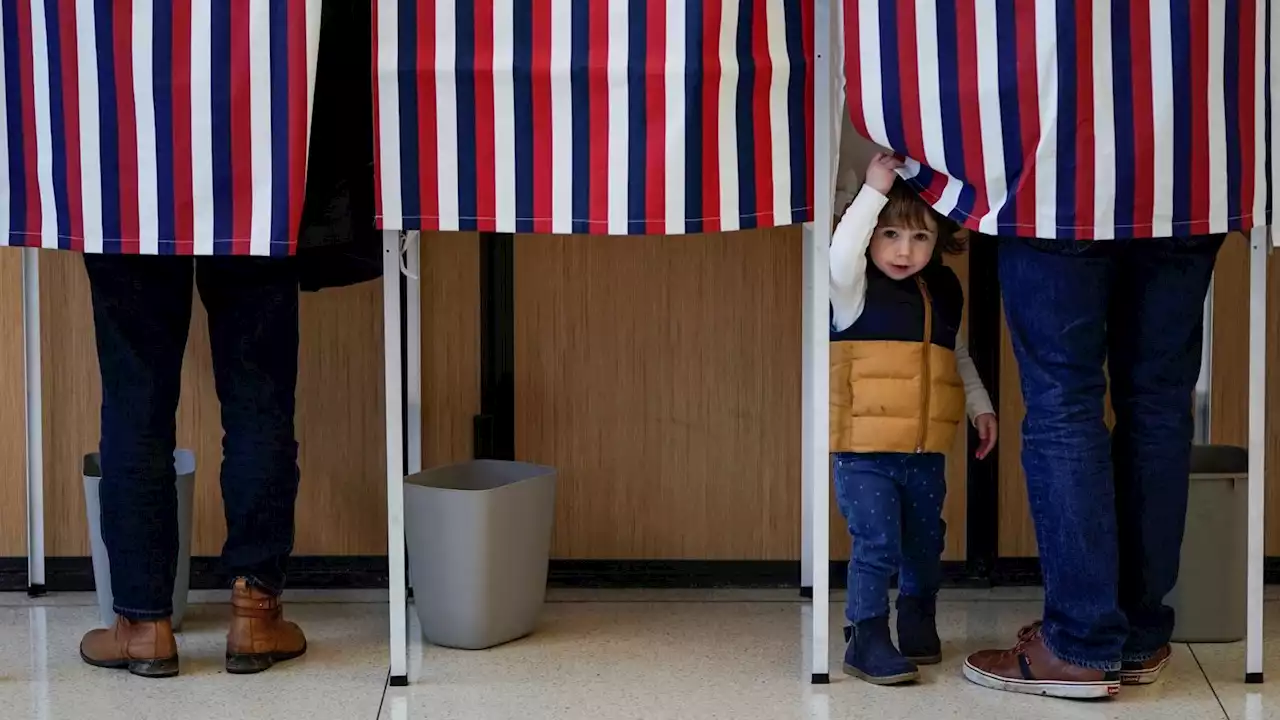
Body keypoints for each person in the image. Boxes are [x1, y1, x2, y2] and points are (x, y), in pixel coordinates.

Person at [961, 230, 1223, 698]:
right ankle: (1138, 639)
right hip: (1187, 186)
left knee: (1063, 402)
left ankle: (1080, 646)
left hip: (1062, 182)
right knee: (1158, 403)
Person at [77, 256, 307, 678]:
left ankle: (143, 626)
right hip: (252, 193)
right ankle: (255, 613)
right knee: (257, 394)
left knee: (136, 397)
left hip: (130, 194)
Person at [830, 153, 998, 685]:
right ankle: (867, 634)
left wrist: (981, 406)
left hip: (925, 452)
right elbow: (839, 254)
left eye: (921, 237)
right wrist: (874, 190)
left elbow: (957, 354)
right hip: (865, 452)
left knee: (926, 540)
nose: (905, 250)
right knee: (877, 541)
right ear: (869, 236)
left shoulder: (942, 290)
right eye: (891, 234)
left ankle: (917, 616)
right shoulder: (851, 289)